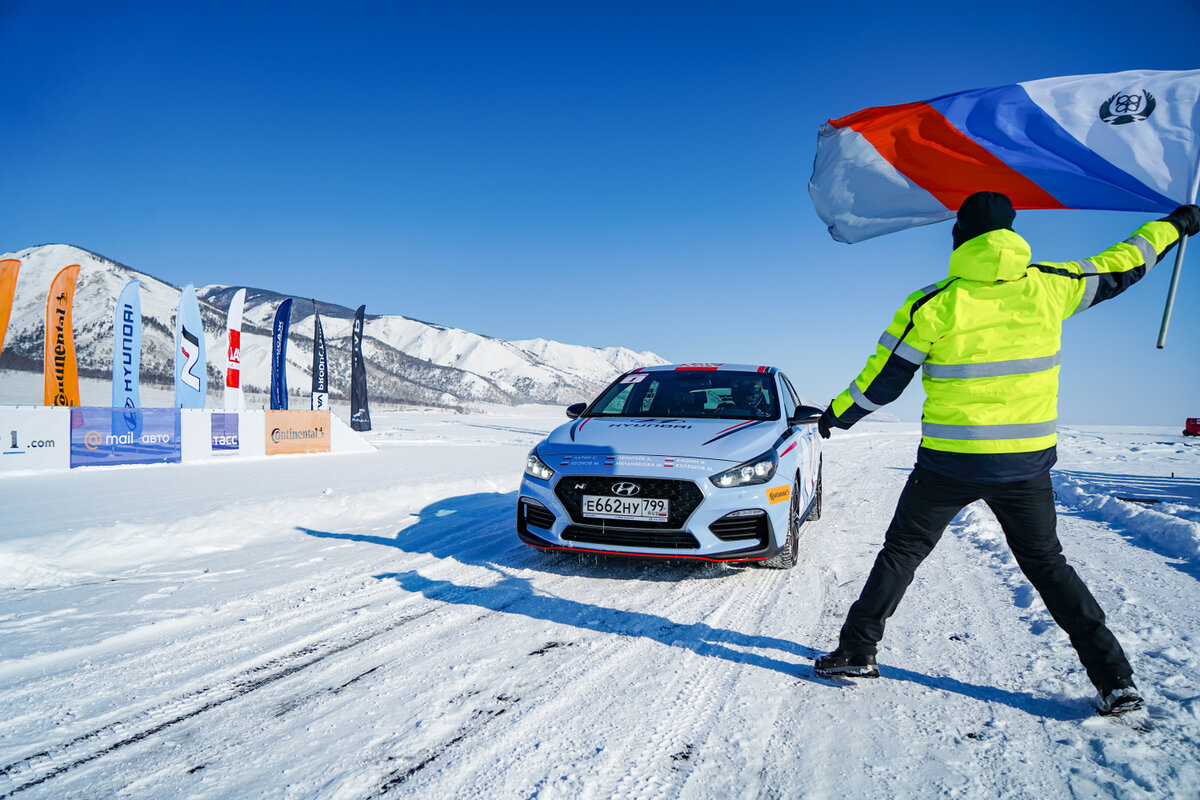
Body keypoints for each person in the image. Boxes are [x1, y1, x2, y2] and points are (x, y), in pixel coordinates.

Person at [813, 191, 1200, 716]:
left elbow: (883, 382)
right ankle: (1115, 680)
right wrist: (1177, 224)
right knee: (1047, 564)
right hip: (1025, 464)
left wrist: (838, 415)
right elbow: (1125, 260)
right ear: (1013, 234)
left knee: (903, 553)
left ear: (960, 238)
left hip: (949, 462)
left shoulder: (934, 302)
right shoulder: (1050, 286)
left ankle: (857, 651)